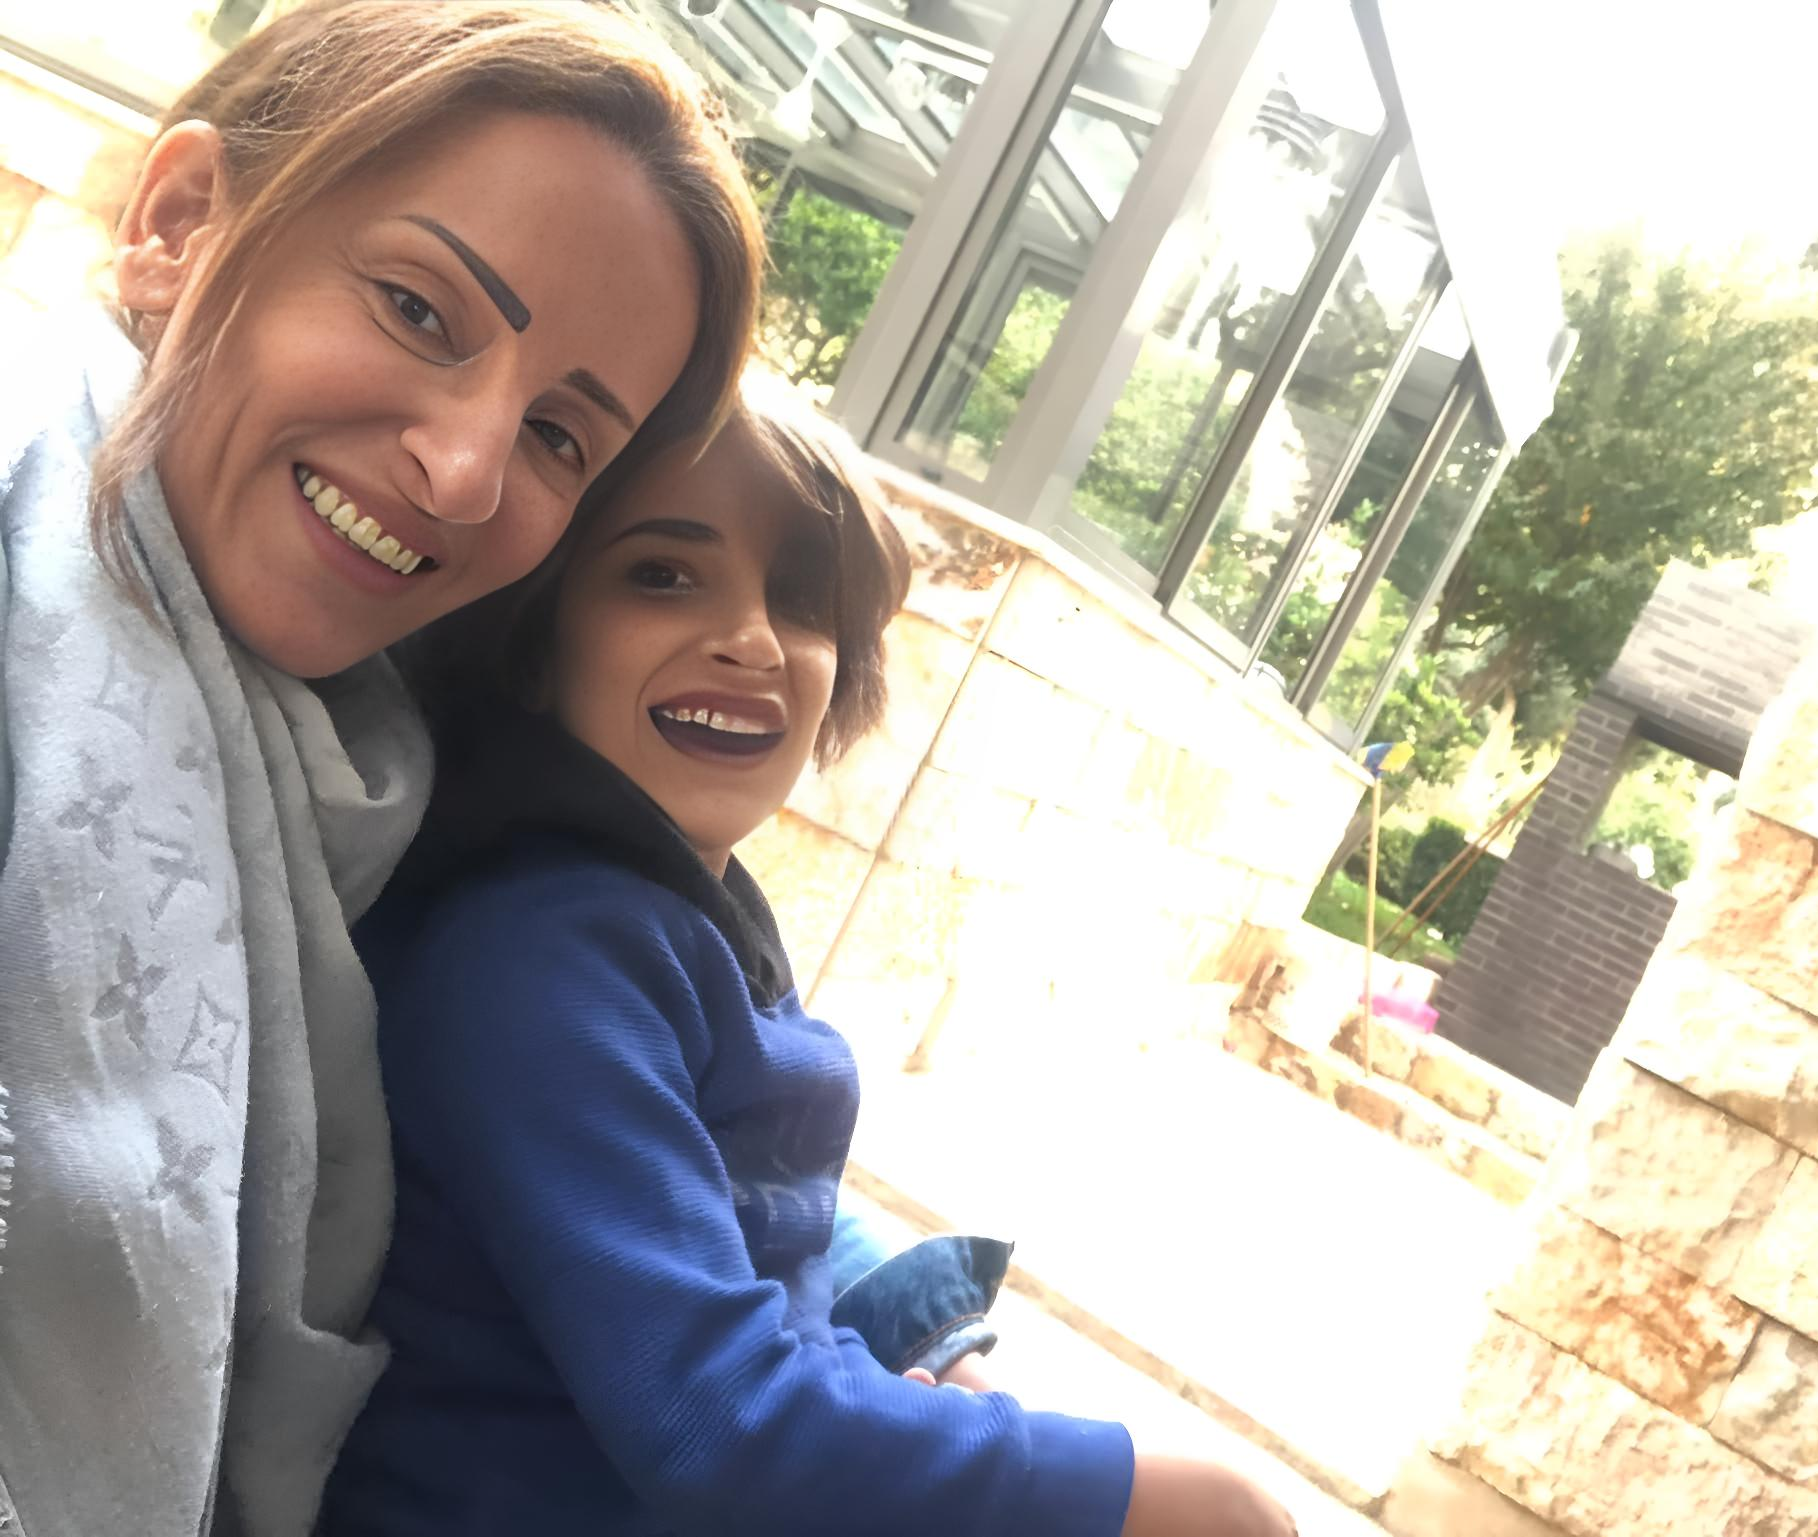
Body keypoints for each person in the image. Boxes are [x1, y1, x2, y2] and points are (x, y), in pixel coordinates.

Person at [0, 5, 763, 1534]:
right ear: (179, 224)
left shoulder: (364, 768)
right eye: (420, 309)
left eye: (560, 437)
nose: (468, 470)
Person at [320, 378, 1298, 1537]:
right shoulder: (540, 966)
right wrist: (1140, 1489)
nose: (752, 641)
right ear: (532, 639)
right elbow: (726, 1423)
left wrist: (926, 1349)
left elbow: (759, 1230)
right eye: (661, 575)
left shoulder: (674, 911)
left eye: (801, 601)